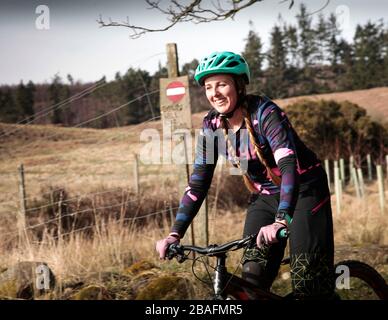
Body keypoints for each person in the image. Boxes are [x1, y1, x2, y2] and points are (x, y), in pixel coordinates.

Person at [156, 51, 335, 299]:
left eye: (221, 84)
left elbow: (288, 167)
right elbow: (198, 184)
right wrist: (175, 233)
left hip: (304, 192)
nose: (214, 93)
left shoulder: (265, 113)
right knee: (251, 278)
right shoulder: (212, 126)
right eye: (209, 87)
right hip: (264, 197)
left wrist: (282, 220)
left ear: (239, 86)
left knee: (308, 281)